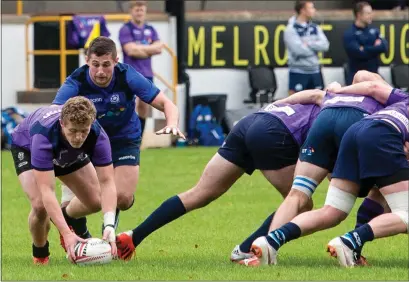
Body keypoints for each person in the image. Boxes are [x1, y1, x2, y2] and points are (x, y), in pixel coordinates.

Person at [114, 98, 323, 261]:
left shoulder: (330, 95)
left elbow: (313, 96)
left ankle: (132, 237)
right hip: (273, 133)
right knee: (300, 202)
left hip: (250, 122)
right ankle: (246, 249)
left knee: (199, 193)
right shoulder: (345, 108)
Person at [242, 89, 409, 267]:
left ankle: (272, 240)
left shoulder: (400, 100)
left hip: (354, 131)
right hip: (377, 133)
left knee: (333, 210)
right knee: (405, 213)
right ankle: (351, 241)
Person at [52, 36, 183, 238]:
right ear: (87, 61)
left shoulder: (128, 76)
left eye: (106, 65)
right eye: (95, 65)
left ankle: (94, 225)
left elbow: (167, 104)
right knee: (91, 201)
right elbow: (54, 113)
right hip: (87, 141)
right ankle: (70, 217)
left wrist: (172, 123)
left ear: (116, 61)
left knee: (122, 198)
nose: (101, 71)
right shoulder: (76, 81)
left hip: (124, 138)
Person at [10, 97, 117, 264]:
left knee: (96, 201)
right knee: (40, 206)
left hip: (66, 152)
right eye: (73, 131)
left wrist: (109, 225)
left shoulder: (97, 134)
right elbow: (47, 190)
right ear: (62, 124)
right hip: (27, 148)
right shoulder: (43, 134)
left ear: (91, 124)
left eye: (84, 131)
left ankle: (66, 218)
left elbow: (107, 181)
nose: (78, 137)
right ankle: (40, 255)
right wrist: (67, 234)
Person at [119, 0, 163, 136]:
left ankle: (139, 138)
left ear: (145, 11)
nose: (139, 13)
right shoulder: (126, 29)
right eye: (137, 10)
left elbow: (159, 48)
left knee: (144, 106)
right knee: (127, 106)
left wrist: (140, 49)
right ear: (131, 11)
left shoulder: (150, 29)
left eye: (142, 10)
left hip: (147, 73)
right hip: (129, 73)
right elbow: (130, 51)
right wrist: (150, 50)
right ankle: (125, 135)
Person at [284, 1, 329, 95]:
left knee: (319, 104)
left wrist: (307, 43)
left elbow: (325, 45)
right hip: (298, 72)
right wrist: (315, 47)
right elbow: (299, 51)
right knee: (296, 105)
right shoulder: (291, 29)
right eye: (311, 8)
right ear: (303, 10)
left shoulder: (315, 28)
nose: (314, 10)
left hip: (315, 71)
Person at [343, 1, 388, 85]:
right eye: (368, 13)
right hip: (357, 79)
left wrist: (365, 48)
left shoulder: (374, 31)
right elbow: (359, 53)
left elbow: (384, 47)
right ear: (359, 15)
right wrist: (375, 48)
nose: (371, 16)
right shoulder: (349, 33)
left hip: (374, 76)